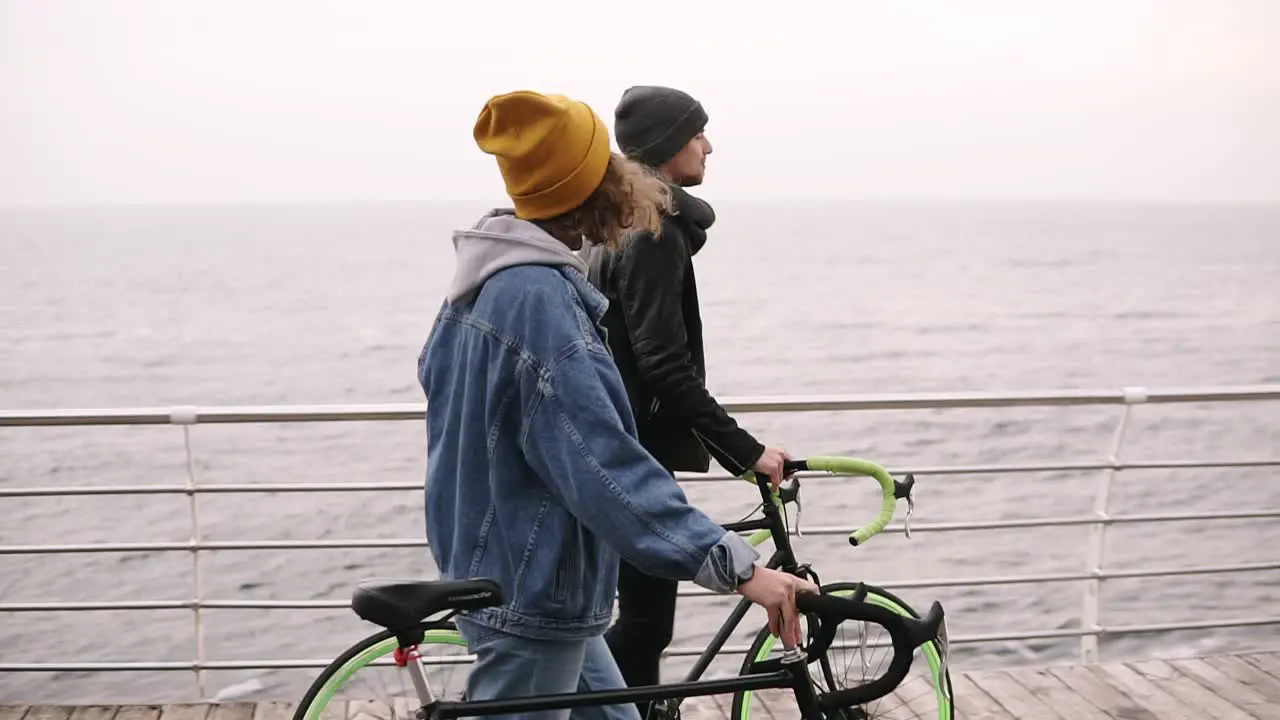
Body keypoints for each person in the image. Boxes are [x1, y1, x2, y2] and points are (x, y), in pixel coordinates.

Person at [418, 89, 817, 720]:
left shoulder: (481, 282)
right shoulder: (540, 303)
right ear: (584, 186)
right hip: (533, 587)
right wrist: (742, 569)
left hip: (511, 566)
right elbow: (604, 467)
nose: (624, 178)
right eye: (607, 165)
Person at [580, 85, 793, 710]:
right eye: (698, 133)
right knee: (644, 626)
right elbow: (664, 367)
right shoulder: (653, 232)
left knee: (631, 622)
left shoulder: (614, 225)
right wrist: (745, 451)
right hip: (631, 451)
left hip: (610, 442)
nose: (708, 144)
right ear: (670, 146)